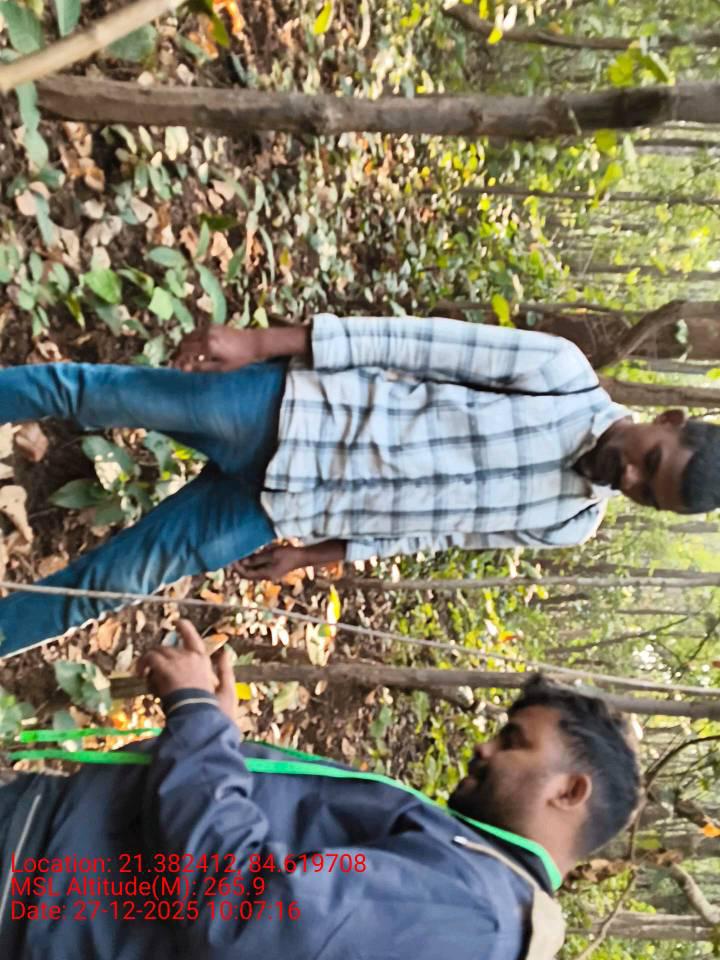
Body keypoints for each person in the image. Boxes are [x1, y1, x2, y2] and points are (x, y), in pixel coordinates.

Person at [1, 315, 717, 657]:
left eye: (643, 493)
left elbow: (439, 532)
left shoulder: (572, 523)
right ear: (668, 420)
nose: (629, 477)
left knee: (107, 587)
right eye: (648, 461)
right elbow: (413, 343)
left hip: (279, 507)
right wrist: (258, 343)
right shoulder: (561, 373)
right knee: (88, 392)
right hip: (283, 409)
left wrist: (310, 556)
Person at [0, 620, 642, 960]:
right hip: (53, 862)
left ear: (570, 791)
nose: (484, 749)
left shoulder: (476, 914)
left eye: (513, 742)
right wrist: (222, 741)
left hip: (43, 884)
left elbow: (247, 908)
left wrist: (195, 715)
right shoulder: (480, 880)